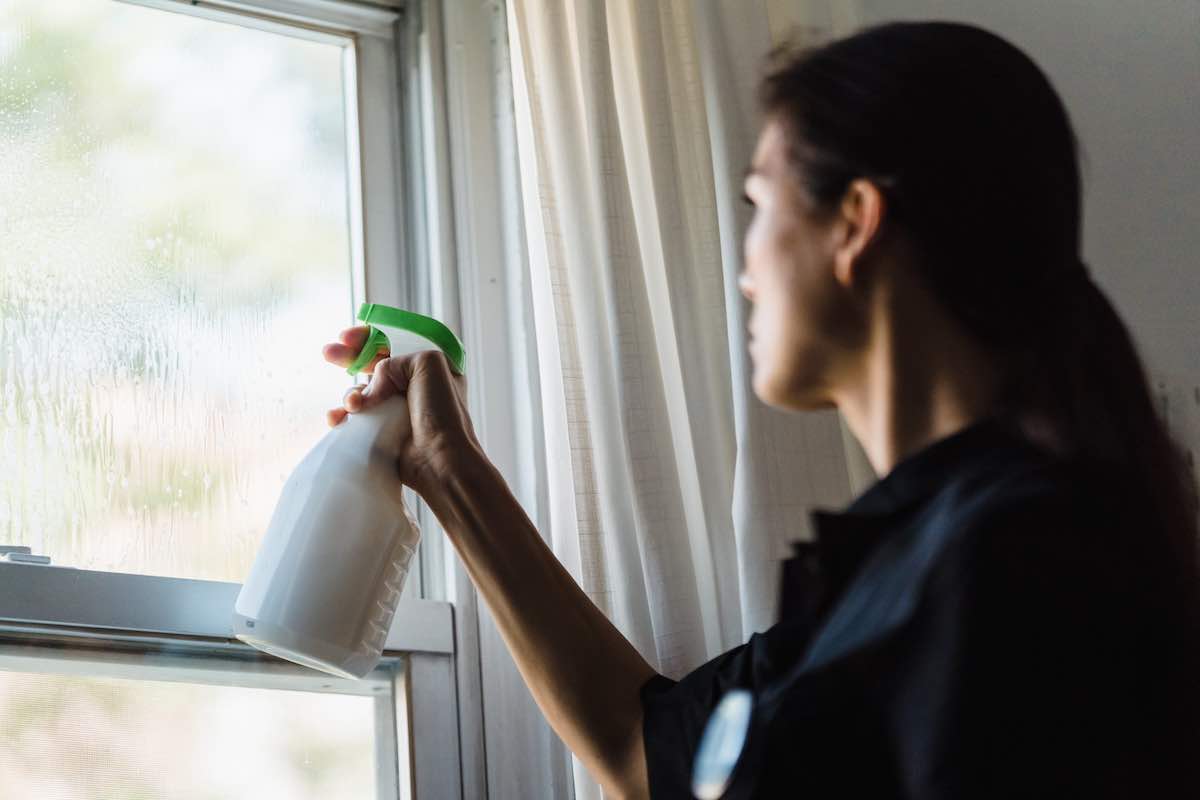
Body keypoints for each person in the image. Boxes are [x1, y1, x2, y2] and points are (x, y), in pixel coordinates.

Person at [322, 21, 1200, 799]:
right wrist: (447, 465)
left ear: (854, 223)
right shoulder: (898, 577)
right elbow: (644, 754)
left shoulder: (1019, 564)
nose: (745, 266)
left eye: (758, 205)